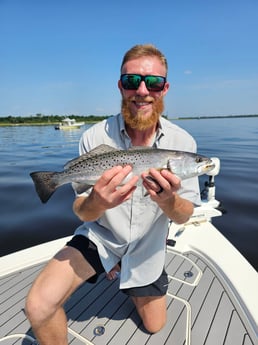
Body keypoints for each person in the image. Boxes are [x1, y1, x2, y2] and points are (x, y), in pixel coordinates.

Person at [25, 44, 200, 344]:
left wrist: (168, 201)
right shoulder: (94, 136)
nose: (142, 90)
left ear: (165, 88)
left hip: (147, 245)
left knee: (155, 325)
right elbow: (82, 211)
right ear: (121, 85)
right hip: (101, 238)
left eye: (153, 82)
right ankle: (114, 265)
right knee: (38, 306)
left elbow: (185, 215)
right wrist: (97, 201)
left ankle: (129, 276)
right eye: (132, 81)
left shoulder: (182, 142)